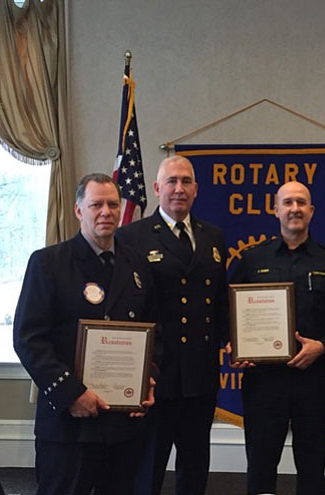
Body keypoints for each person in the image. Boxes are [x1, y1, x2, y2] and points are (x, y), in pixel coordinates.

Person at [13, 173, 159, 495]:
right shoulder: (48, 263)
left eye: (112, 204)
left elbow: (151, 331)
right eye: (96, 204)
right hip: (68, 421)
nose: (105, 211)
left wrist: (147, 379)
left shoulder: (137, 265)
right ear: (79, 210)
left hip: (122, 422)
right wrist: (71, 393)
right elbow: (28, 338)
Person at [230, 181, 325, 495]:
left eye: (301, 203)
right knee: (260, 465)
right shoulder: (252, 260)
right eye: (287, 203)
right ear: (275, 210)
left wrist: (324, 346)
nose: (294, 209)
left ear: (311, 212)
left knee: (312, 468)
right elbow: (229, 311)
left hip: (314, 378)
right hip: (263, 381)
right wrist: (234, 343)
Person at [117, 155, 229, 495]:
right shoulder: (131, 237)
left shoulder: (213, 236)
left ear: (196, 190)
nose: (178, 189)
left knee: (195, 465)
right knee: (148, 465)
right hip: (155, 374)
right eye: (171, 182)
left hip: (200, 374)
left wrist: (233, 340)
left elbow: (220, 301)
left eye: (186, 182)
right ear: (156, 188)